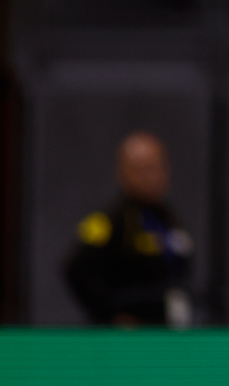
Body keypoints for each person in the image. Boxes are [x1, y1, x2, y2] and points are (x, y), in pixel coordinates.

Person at [65, 132, 193, 326]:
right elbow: (76, 271)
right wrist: (111, 315)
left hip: (165, 329)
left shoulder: (168, 218)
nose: (148, 177)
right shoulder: (109, 221)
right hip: (127, 337)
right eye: (139, 169)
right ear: (122, 172)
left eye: (153, 168)